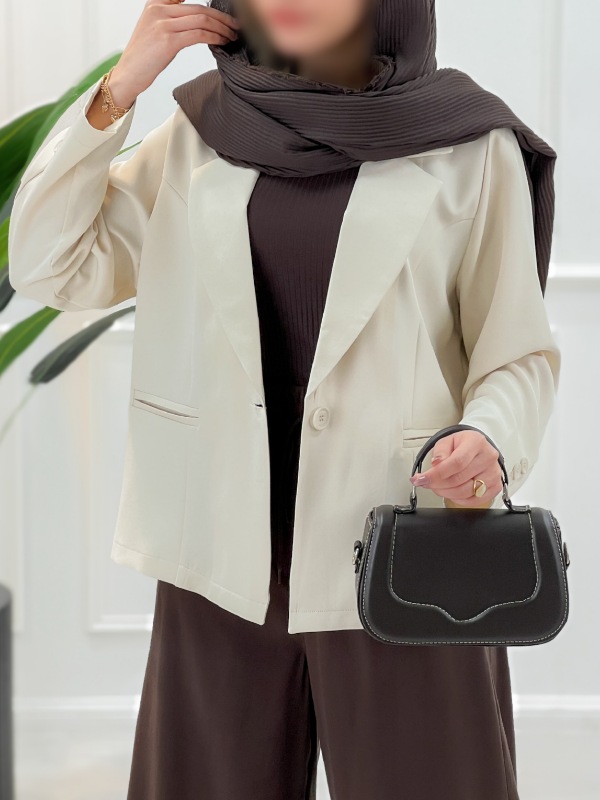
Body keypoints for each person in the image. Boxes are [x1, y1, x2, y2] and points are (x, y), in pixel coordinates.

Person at [8, 1, 561, 798]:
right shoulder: (202, 130)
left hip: (403, 543)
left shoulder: (470, 144)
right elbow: (48, 264)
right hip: (220, 544)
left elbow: (517, 353)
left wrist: (489, 439)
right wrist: (118, 90)